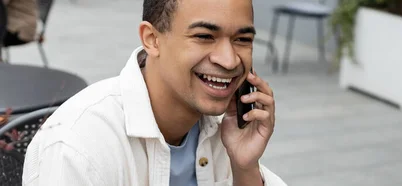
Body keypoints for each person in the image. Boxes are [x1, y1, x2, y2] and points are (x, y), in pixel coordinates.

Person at [22, 0, 286, 185]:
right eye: (204, 36)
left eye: (242, 40)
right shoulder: (78, 148)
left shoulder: (226, 131)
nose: (229, 61)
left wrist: (245, 168)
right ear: (151, 39)